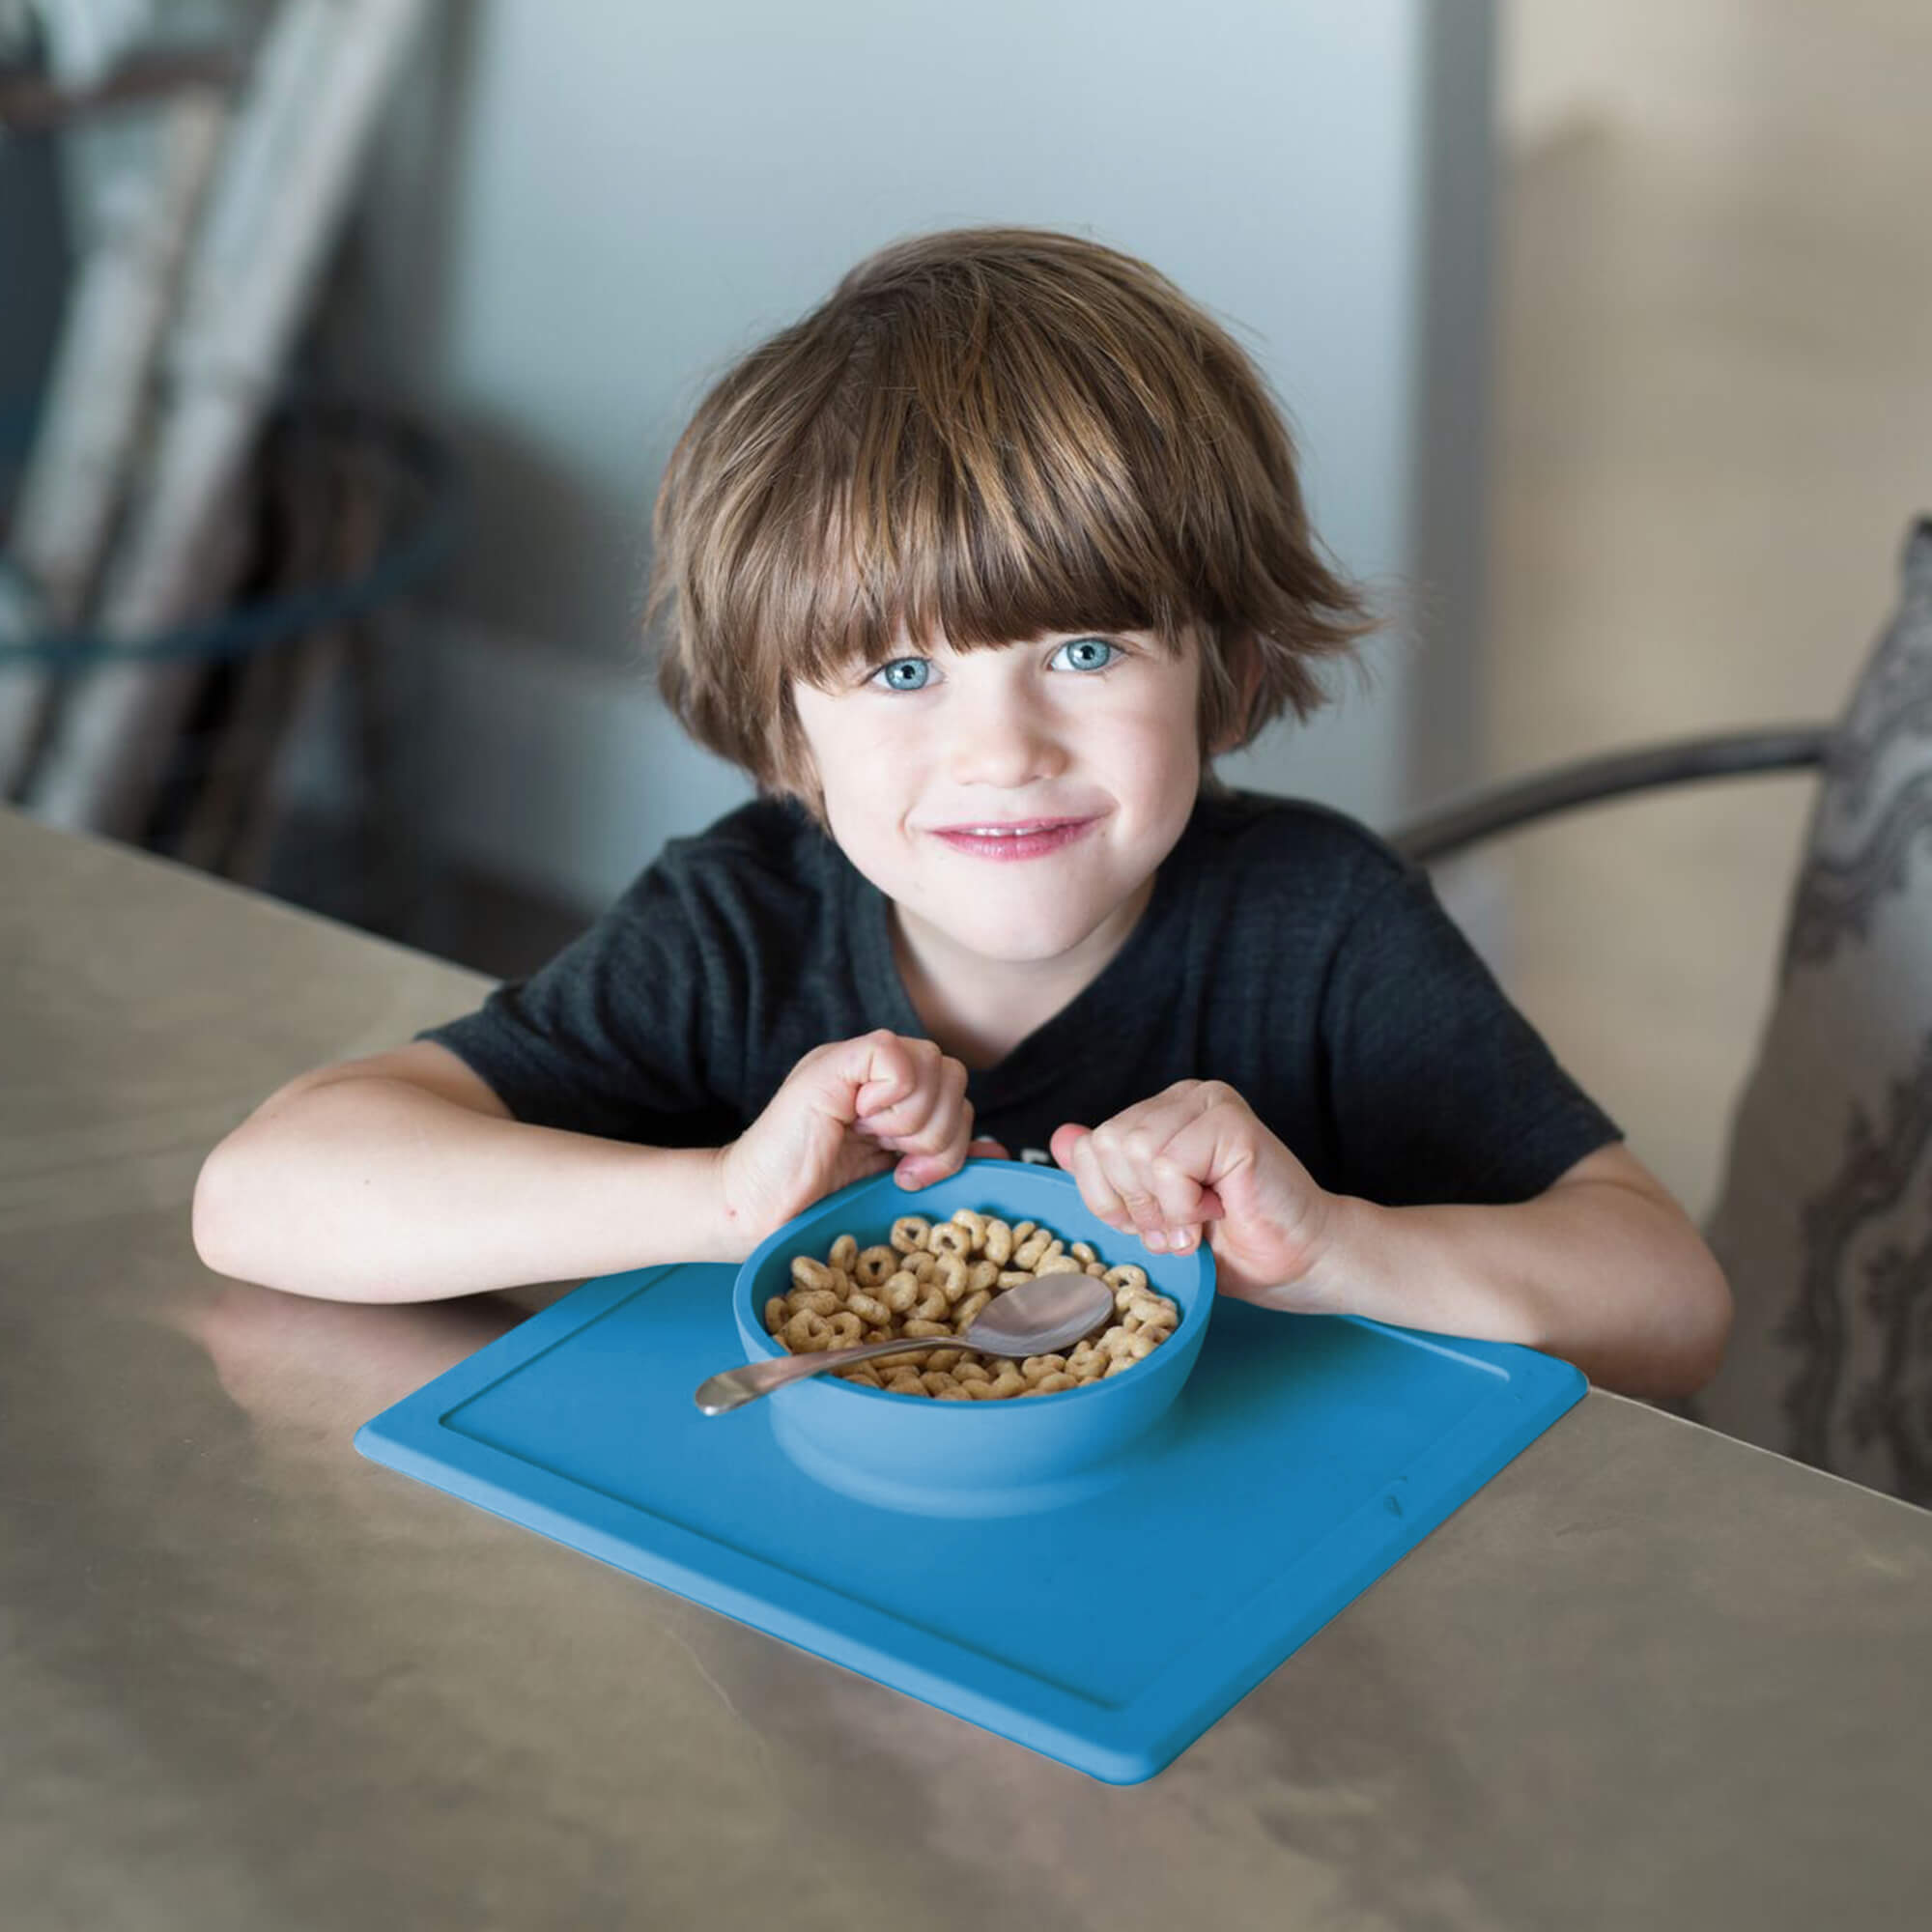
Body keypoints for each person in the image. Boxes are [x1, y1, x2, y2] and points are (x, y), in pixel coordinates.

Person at [192, 225, 1731, 1398]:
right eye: (902, 667)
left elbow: (1671, 1304)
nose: (1004, 750)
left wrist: (1341, 1246)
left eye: (1083, 648)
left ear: (1226, 669)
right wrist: (722, 1200)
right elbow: (265, 1198)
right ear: (779, 721)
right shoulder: (736, 928)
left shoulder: (1321, 925)